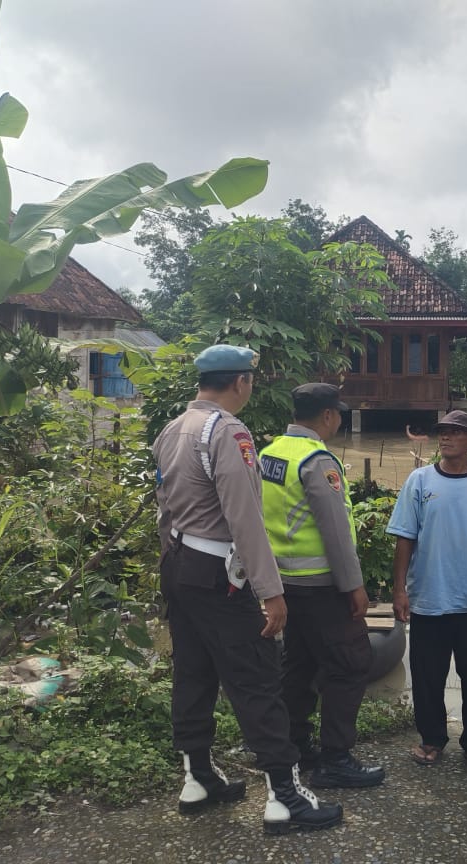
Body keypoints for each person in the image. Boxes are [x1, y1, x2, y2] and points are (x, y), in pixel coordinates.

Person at [152, 344, 343, 834]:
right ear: (241, 382)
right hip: (219, 575)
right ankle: (284, 795)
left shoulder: (174, 429)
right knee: (256, 678)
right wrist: (270, 590)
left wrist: (172, 567)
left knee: (193, 672)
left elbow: (164, 509)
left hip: (179, 565)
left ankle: (197, 777)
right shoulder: (227, 431)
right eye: (251, 381)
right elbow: (245, 518)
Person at [259, 383, 385, 790]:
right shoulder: (317, 461)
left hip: (283, 582)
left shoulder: (269, 453)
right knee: (350, 664)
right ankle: (335, 757)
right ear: (328, 416)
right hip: (320, 584)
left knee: (299, 664)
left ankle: (293, 744)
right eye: (338, 415)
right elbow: (334, 531)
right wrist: (354, 587)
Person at [388, 410, 467, 771]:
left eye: (457, 433)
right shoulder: (419, 481)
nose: (446, 438)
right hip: (429, 597)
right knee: (428, 675)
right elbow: (405, 539)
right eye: (443, 432)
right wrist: (400, 590)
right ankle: (431, 739)